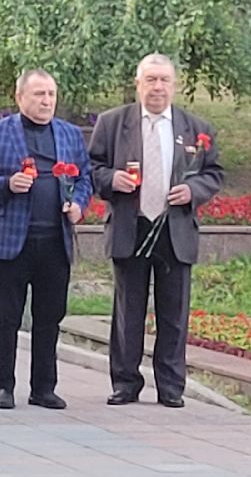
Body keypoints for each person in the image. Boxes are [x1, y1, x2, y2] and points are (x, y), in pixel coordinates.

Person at [88, 55, 223, 407]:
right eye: (150, 80)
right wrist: (110, 179)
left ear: (174, 85)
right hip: (130, 227)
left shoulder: (195, 128)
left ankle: (171, 386)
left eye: (164, 80)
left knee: (174, 313)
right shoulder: (113, 123)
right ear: (138, 84)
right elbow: (92, 167)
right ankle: (125, 383)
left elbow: (214, 172)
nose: (157, 87)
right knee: (127, 312)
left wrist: (195, 191)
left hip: (174, 229)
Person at [0, 69, 89, 410]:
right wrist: (6, 185)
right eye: (39, 94)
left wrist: (79, 204)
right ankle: (3, 385)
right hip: (12, 239)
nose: (47, 101)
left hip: (55, 240)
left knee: (49, 316)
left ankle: (43, 387)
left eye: (51, 94)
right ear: (20, 97)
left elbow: (84, 177)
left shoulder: (68, 134)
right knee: (8, 316)